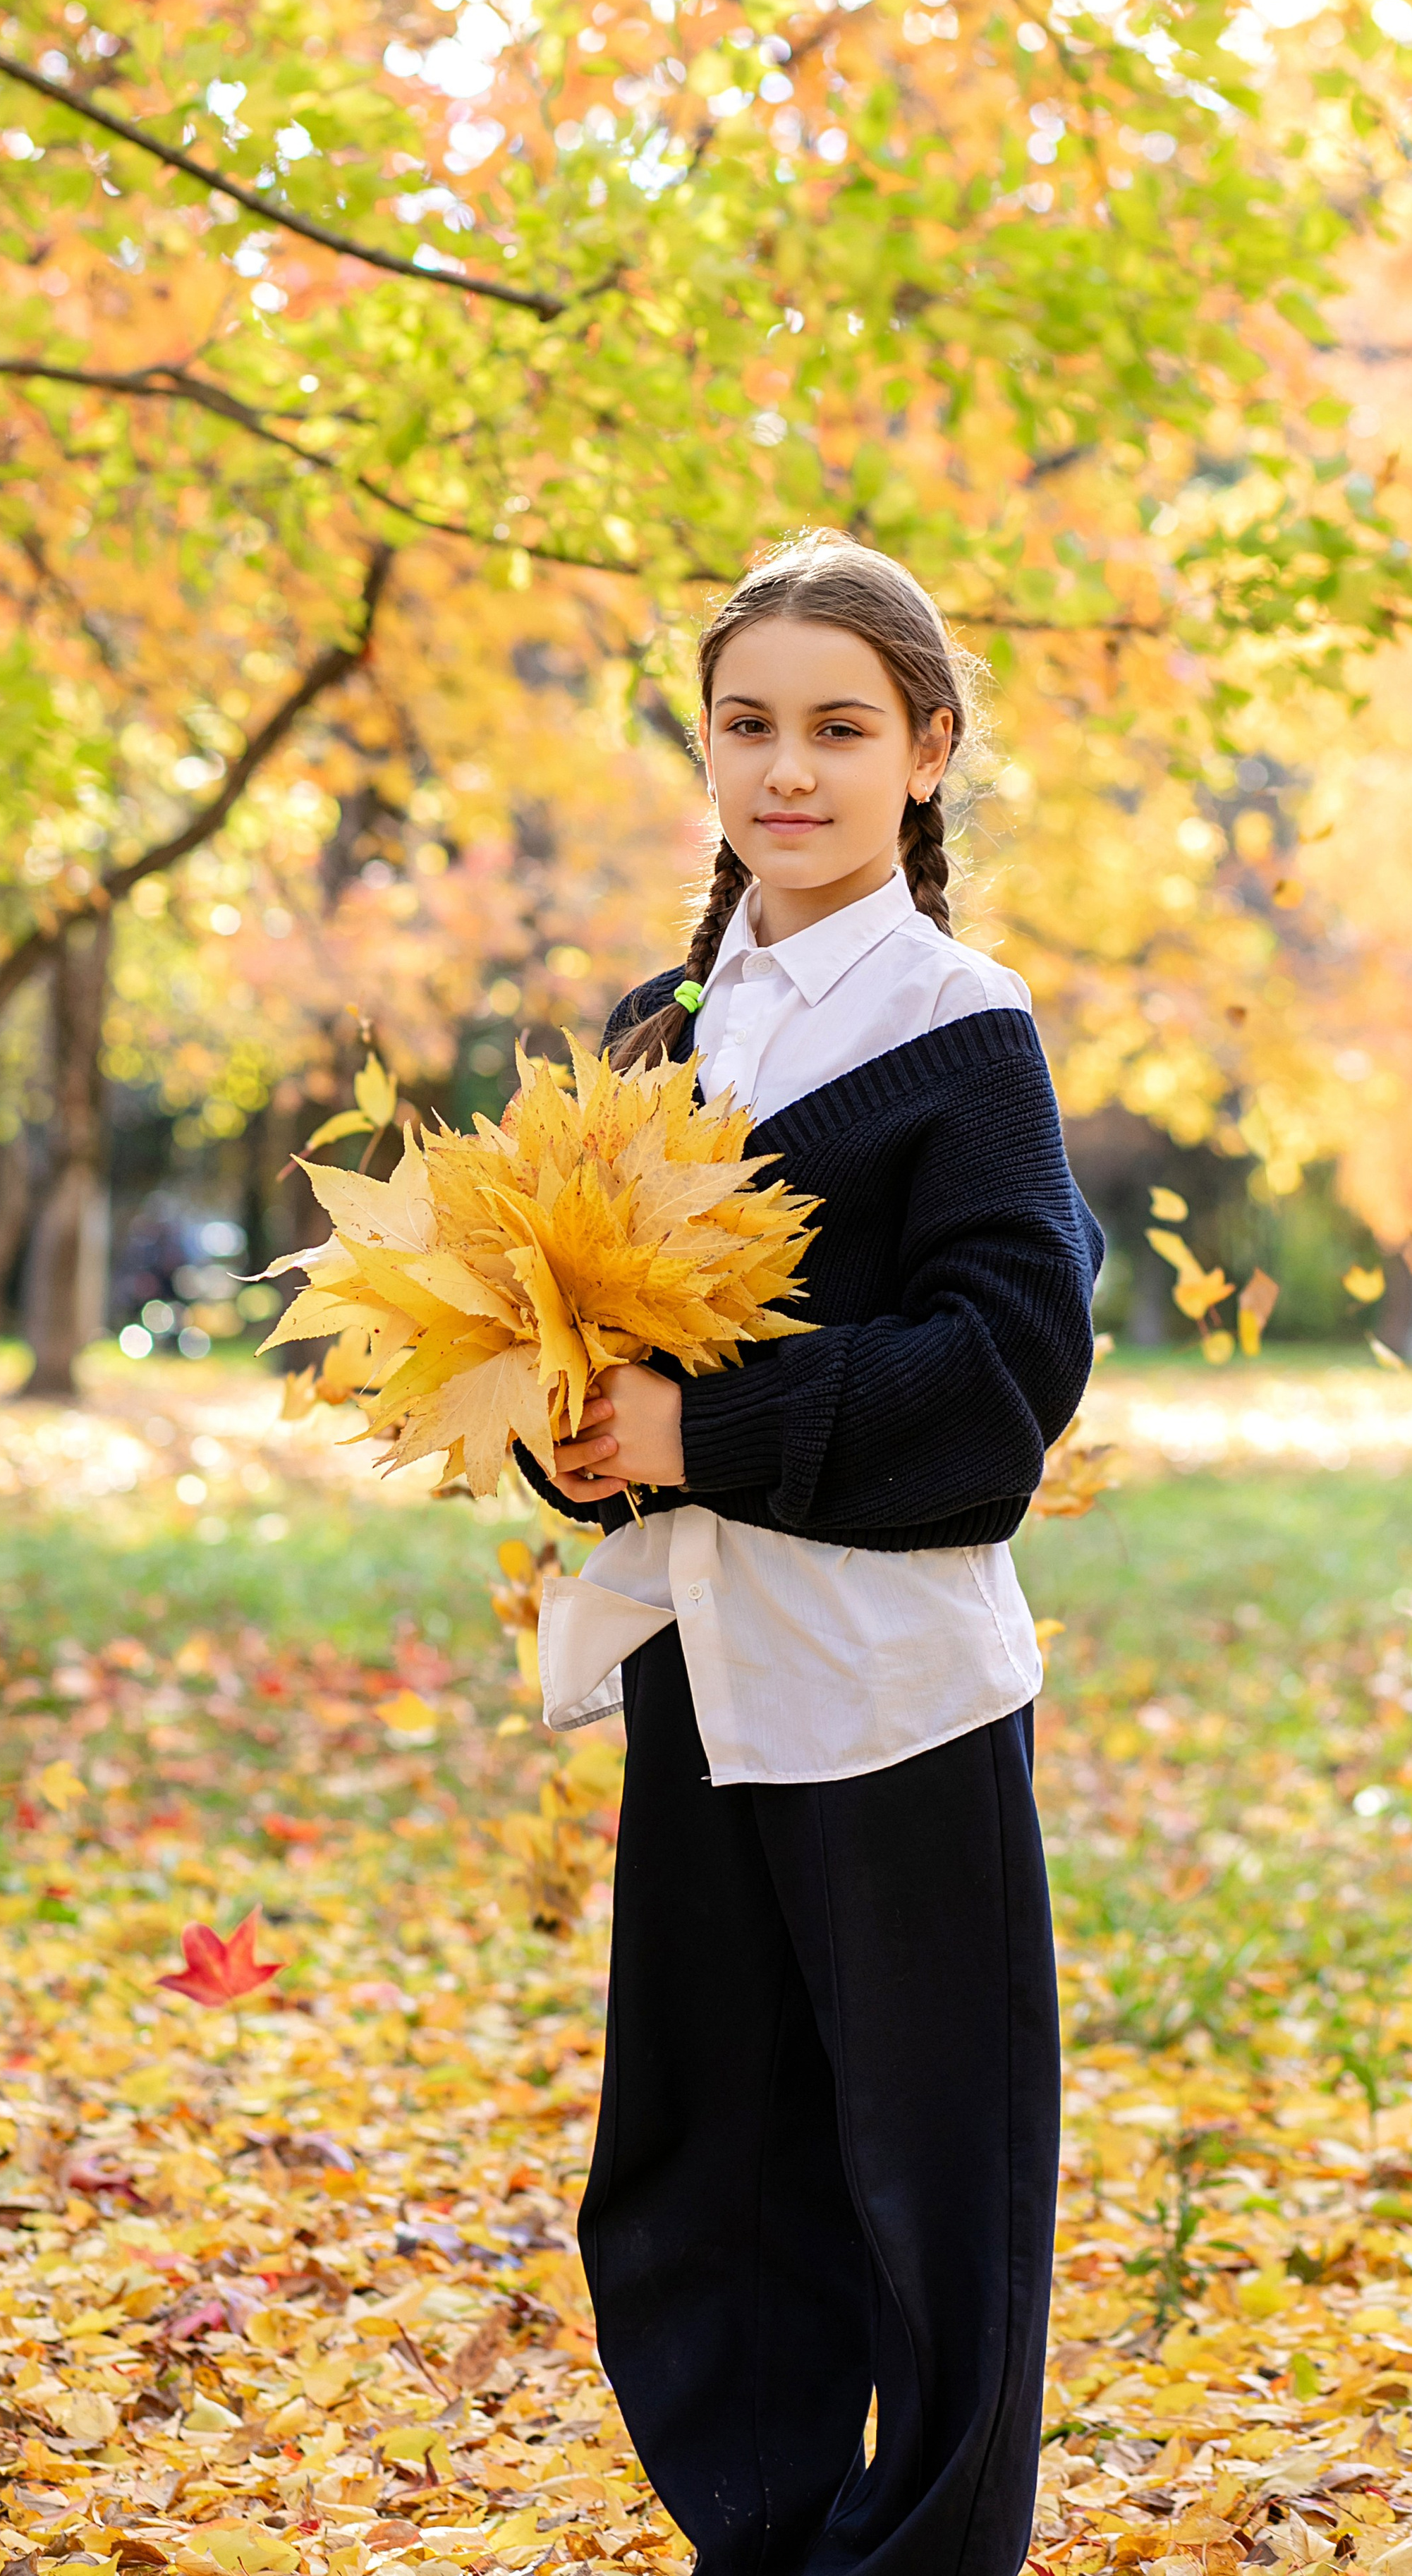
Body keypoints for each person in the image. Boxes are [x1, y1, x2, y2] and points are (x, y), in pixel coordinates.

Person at [518, 531, 1104, 2576]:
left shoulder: (961, 1026)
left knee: (931, 2180)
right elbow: (567, 1346)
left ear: (927, 755)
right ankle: (762, 2540)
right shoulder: (658, 1027)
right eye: (749, 726)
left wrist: (711, 1428)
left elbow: (1006, 1377)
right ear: (703, 753)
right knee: (698, 2164)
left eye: (841, 729)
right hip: (705, 1671)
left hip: (894, 1688)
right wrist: (574, 1440)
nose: (791, 768)